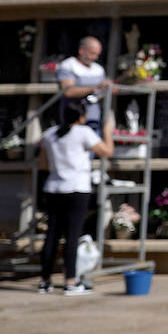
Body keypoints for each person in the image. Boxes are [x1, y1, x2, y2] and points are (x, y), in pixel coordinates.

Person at [37, 94, 114, 295]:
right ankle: (71, 281)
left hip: (53, 187)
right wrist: (107, 132)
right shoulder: (83, 132)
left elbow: (43, 165)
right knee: (72, 236)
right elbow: (106, 151)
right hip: (77, 188)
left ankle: (45, 281)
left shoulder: (50, 134)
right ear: (81, 117)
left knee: (52, 235)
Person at [57, 36, 111, 135]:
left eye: (97, 54)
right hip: (74, 121)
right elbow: (68, 91)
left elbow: (103, 92)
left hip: (94, 119)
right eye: (92, 54)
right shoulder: (69, 65)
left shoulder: (98, 69)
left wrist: (109, 88)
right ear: (81, 50)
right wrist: (96, 87)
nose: (95, 58)